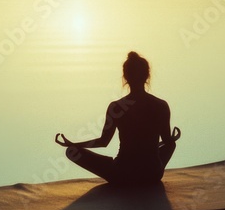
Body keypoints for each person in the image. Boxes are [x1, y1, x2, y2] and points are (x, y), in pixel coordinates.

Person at [55, 51, 180, 186]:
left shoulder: (117, 107)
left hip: (122, 175)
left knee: (71, 152)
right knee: (171, 144)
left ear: (126, 77)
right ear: (147, 76)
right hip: (152, 174)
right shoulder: (161, 105)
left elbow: (103, 141)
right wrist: (171, 139)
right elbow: (168, 142)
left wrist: (73, 145)